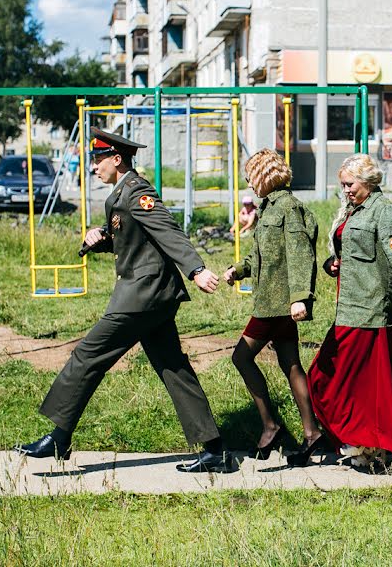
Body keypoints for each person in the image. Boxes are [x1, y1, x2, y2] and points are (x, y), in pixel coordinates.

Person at [16, 127, 232, 474]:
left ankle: (60, 435)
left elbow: (167, 231)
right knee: (173, 368)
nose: (94, 166)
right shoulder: (119, 194)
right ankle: (216, 450)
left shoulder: (137, 191)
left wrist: (196, 269)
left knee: (88, 355)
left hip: (143, 295)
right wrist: (99, 238)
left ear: (117, 159)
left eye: (99, 159)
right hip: (151, 296)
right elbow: (130, 237)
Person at [307, 154, 392, 467]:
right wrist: (334, 264)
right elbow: (352, 252)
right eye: (342, 184)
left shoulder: (384, 211)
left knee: (363, 387)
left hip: (371, 310)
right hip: (348, 308)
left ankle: (375, 447)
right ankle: (360, 443)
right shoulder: (355, 209)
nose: (344, 189)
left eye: (349, 184)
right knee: (326, 380)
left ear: (368, 181)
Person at [223, 149, 323, 464]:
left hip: (277, 304)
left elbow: (299, 255)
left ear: (266, 176)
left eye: (253, 177)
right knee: (291, 364)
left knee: (241, 356)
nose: (250, 185)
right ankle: (311, 434)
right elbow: (261, 255)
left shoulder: (288, 209)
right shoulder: (269, 208)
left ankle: (270, 426)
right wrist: (237, 270)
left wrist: (300, 297)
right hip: (274, 301)